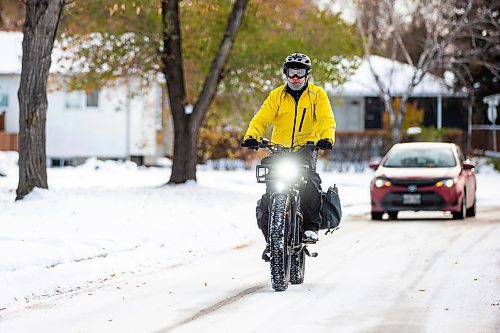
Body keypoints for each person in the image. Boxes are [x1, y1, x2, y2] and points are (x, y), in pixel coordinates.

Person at [241, 52, 336, 261]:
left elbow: (325, 120)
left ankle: (310, 226)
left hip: (305, 150)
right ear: (285, 73)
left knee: (310, 181)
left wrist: (326, 138)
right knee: (269, 196)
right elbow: (261, 118)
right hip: (279, 151)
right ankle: (272, 243)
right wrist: (252, 136)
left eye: (299, 72)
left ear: (306, 74)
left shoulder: (317, 95)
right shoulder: (277, 95)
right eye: (291, 72)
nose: (295, 76)